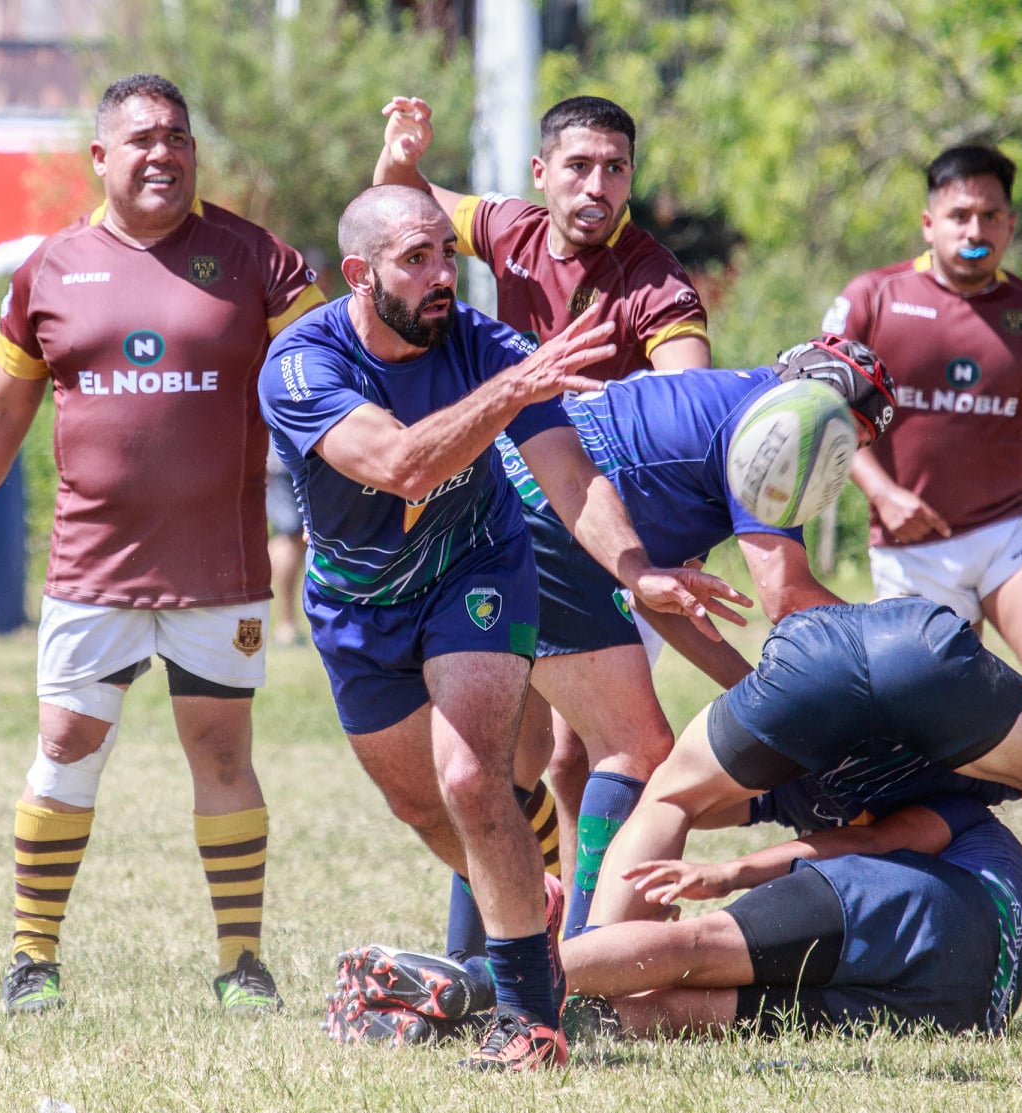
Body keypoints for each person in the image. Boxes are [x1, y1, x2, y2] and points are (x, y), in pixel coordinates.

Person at [257, 184, 747, 1070]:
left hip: (476, 568)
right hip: (357, 603)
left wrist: (639, 573)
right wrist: (515, 385)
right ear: (361, 275)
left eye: (448, 254)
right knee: (419, 801)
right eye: (418, 260)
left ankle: (529, 1016)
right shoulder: (299, 363)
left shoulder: (484, 343)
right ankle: (536, 899)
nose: (444, 275)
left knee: (470, 774)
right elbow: (401, 466)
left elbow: (569, 475)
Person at [0, 74, 325, 1016]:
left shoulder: (256, 258)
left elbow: (327, 384)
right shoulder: (52, 268)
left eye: (177, 136)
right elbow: (0, 409)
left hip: (220, 569)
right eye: (140, 138)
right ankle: (31, 958)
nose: (162, 152)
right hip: (92, 567)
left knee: (222, 752)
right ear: (100, 157)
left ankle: (240, 964)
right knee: (64, 744)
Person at [321, 702, 1022, 1044]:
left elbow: (886, 834)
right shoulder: (834, 779)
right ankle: (479, 1027)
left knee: (695, 944)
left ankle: (476, 984)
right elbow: (691, 797)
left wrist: (734, 869)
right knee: (707, 1012)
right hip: (959, 1006)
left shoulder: (939, 795)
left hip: (940, 916)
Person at [375, 92, 716, 953]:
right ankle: (499, 951)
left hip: (618, 539)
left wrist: (577, 395)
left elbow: (690, 396)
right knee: (512, 756)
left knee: (589, 751)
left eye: (615, 168)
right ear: (541, 175)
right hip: (510, 525)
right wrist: (399, 153)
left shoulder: (655, 281)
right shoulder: (510, 229)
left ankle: (584, 946)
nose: (597, 184)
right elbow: (399, 208)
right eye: (578, 166)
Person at [587, 598, 1022, 1031]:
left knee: (667, 798)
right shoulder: (985, 767)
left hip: (811, 655)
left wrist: (712, 859)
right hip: (921, 646)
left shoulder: (807, 785)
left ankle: (590, 957)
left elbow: (672, 801)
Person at [825, 144, 1022, 708]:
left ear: (1010, 225)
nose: (974, 229)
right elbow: (826, 409)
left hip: (1010, 528)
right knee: (938, 708)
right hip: (909, 539)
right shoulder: (872, 298)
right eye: (960, 216)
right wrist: (883, 494)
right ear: (929, 223)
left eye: (990, 216)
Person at [266, 443, 306, 646]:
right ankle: (287, 624)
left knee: (294, 539)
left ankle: (286, 623)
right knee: (290, 538)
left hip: (291, 454)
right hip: (283, 457)